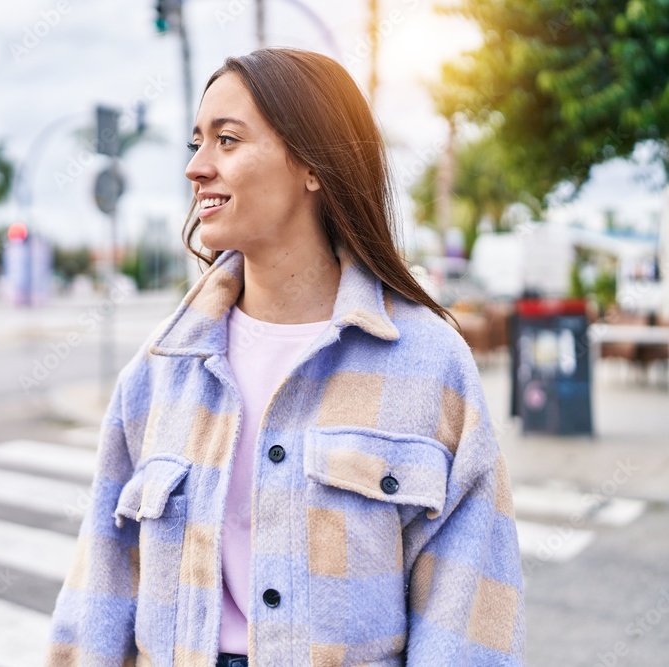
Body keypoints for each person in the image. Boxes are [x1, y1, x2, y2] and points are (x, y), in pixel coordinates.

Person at [45, 47, 524, 666]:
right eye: (196, 142)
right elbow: (100, 588)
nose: (196, 167)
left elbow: (468, 617)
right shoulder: (162, 366)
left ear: (313, 165)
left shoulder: (429, 364)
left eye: (227, 140)